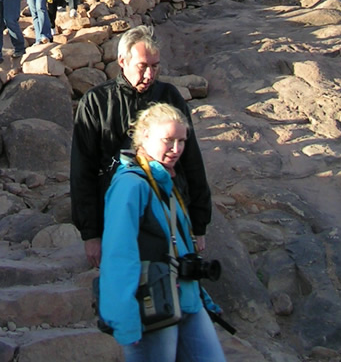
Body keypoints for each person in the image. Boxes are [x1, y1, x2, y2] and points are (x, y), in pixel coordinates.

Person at [70, 26, 212, 269]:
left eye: (155, 66)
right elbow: (82, 171)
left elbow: (191, 159)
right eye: (143, 66)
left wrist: (199, 224)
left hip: (169, 212)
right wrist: (91, 234)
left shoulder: (169, 97)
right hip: (117, 215)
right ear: (122, 61)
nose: (149, 75)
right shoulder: (96, 103)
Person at [99, 103, 226, 362]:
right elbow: (118, 253)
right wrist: (124, 320)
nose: (176, 149)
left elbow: (180, 247)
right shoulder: (131, 185)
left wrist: (203, 299)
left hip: (186, 300)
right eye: (168, 140)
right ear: (144, 136)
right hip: (152, 306)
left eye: (182, 141)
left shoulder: (165, 182)